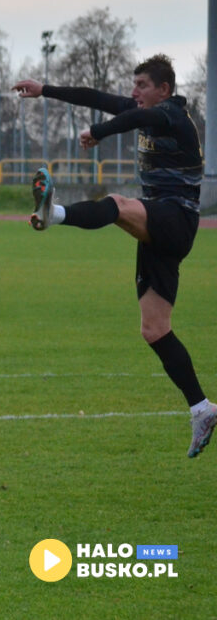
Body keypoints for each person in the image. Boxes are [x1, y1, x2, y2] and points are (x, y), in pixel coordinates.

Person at [13, 53, 216, 458]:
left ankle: (53, 213)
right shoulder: (144, 109)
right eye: (133, 84)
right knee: (154, 329)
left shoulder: (170, 115)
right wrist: (44, 90)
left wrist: (98, 133)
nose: (133, 92)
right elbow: (94, 96)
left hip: (175, 219)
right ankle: (202, 408)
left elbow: (134, 120)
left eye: (142, 85)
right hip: (159, 223)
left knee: (119, 204)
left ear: (164, 89)